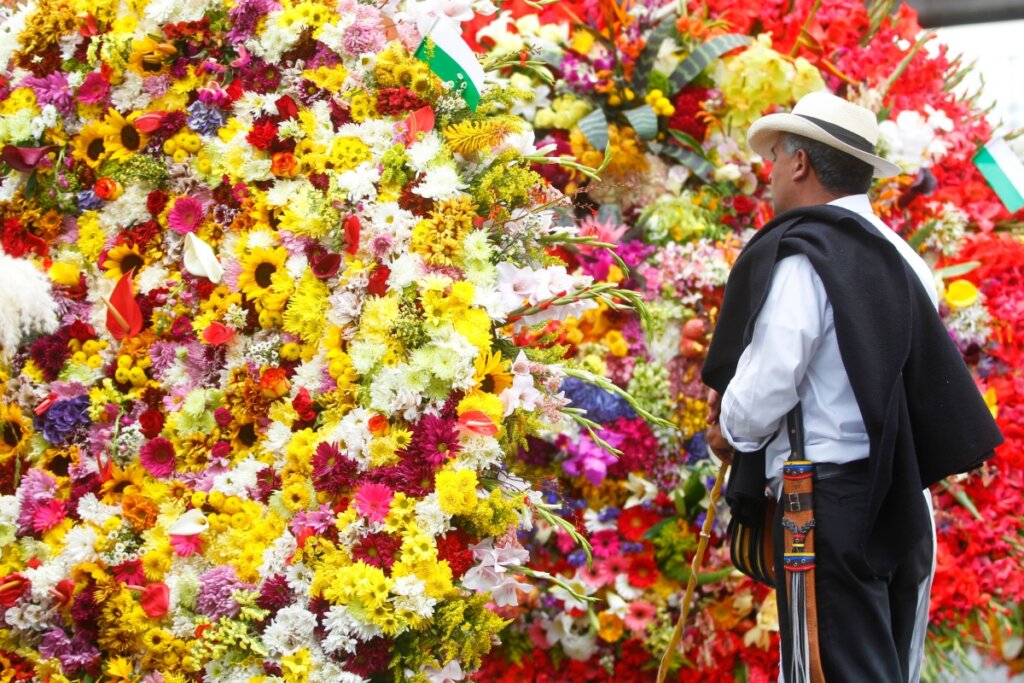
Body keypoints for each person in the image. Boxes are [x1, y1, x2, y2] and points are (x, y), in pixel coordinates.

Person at [700, 91, 1003, 682]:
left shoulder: (805, 256)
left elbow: (765, 387)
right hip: (903, 503)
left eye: (774, 158)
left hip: (827, 508)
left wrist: (728, 427)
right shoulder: (907, 259)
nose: (768, 175)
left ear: (800, 164)